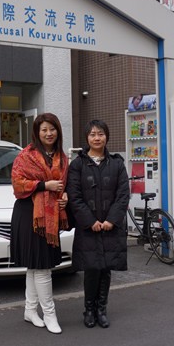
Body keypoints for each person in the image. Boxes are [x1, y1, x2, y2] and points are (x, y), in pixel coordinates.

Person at [67, 120, 130, 328]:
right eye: (93, 134)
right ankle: (89, 310)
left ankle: (102, 309)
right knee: (91, 268)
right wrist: (90, 221)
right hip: (89, 228)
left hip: (110, 227)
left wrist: (112, 220)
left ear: (107, 136)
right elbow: (74, 197)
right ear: (87, 138)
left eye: (100, 134)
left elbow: (123, 195)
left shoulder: (117, 163)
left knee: (106, 268)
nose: (97, 138)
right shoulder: (77, 165)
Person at [11, 113, 69, 334]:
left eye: (52, 129)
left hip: (50, 214)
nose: (48, 133)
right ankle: (50, 314)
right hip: (29, 215)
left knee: (36, 266)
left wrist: (65, 197)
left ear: (58, 131)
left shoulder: (62, 158)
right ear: (37, 132)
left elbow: (65, 186)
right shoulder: (26, 155)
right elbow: (17, 184)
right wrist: (45, 185)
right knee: (42, 267)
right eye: (44, 129)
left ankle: (30, 310)